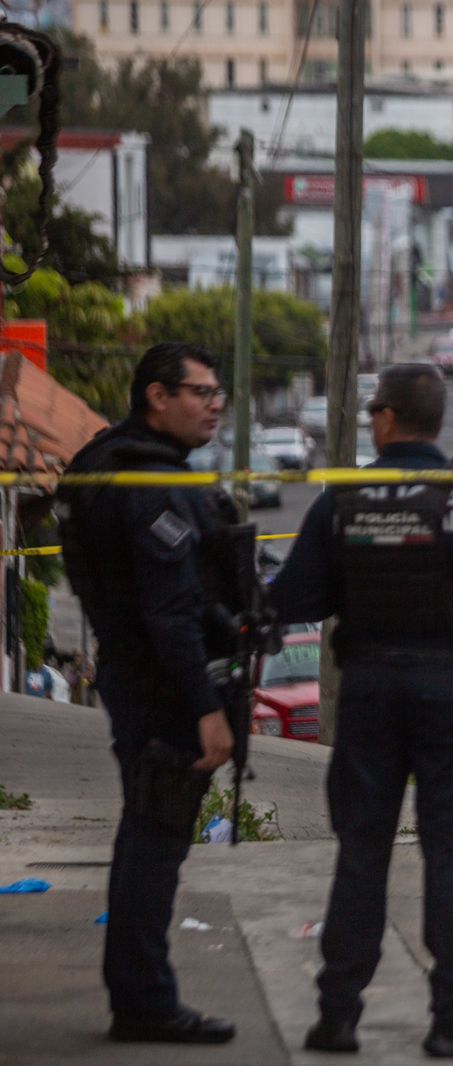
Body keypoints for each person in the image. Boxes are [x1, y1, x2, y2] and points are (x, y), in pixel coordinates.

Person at [269, 364, 453, 1059]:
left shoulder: (345, 500)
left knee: (361, 854)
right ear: (439, 421)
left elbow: (292, 600)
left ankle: (337, 1016)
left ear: (388, 420)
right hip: (450, 693)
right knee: (449, 854)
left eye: (372, 413)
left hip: (367, 692)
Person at [58, 342, 238, 1044]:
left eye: (218, 392)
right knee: (155, 839)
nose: (213, 404)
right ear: (157, 397)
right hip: (161, 686)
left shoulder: (102, 462)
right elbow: (169, 612)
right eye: (200, 392)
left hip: (131, 671)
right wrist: (206, 710)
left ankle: (139, 994)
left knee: (145, 831)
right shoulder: (147, 481)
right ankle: (144, 1002)